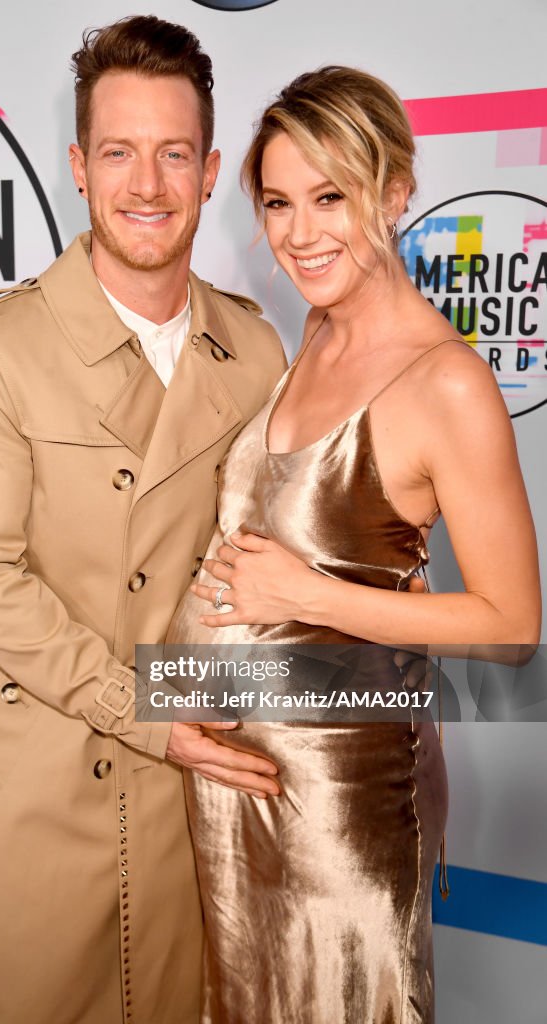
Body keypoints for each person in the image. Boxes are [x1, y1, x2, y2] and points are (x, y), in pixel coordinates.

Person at [0, 16, 287, 1024]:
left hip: (192, 814)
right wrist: (151, 717)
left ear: (210, 169)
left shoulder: (258, 352)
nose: (147, 183)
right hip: (40, 803)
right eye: (120, 152)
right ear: (79, 168)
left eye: (173, 153)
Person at [167, 66, 541, 1023]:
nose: (298, 234)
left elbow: (511, 627)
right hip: (231, 790)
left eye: (329, 196)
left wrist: (312, 595)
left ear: (395, 190)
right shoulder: (313, 337)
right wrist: (167, 710)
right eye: (278, 202)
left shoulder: (444, 382)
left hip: (340, 808)